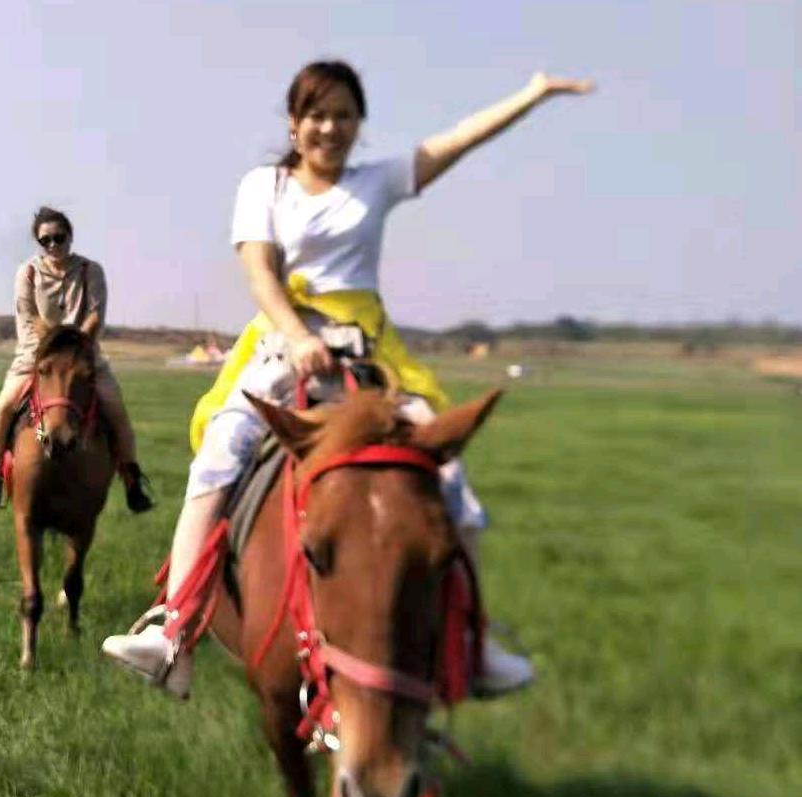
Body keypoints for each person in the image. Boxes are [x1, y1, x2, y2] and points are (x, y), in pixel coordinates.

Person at [102, 61, 593, 696]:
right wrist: (299, 336)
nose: (329, 127)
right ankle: (174, 635)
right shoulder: (265, 186)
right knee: (220, 453)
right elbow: (260, 275)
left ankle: (472, 645)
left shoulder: (378, 181)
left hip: (368, 352)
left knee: (446, 469)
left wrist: (532, 94)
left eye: (343, 115)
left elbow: (459, 139)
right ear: (294, 122)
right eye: (316, 114)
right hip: (285, 343)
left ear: (360, 124)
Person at [0, 207, 153, 513]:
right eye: (45, 241)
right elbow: (30, 317)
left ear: (70, 236)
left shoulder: (90, 271)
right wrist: (54, 347)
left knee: (115, 409)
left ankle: (132, 480)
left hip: (83, 355)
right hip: (36, 356)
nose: (53, 245)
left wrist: (77, 347)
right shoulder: (28, 273)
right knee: (4, 407)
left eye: (59, 238)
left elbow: (95, 315)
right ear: (39, 243)